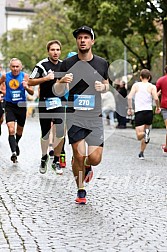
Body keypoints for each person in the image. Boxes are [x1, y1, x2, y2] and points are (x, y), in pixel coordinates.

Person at [54, 25, 109, 204]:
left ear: (92, 41)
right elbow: (57, 90)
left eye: (86, 37)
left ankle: (87, 166)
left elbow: (106, 84)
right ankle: (81, 190)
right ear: (77, 41)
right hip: (75, 116)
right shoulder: (67, 64)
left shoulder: (102, 63)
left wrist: (104, 87)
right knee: (79, 154)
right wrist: (61, 81)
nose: (82, 40)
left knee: (94, 158)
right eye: (80, 38)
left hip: (95, 117)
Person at [28, 40, 66, 175]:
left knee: (60, 132)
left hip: (59, 102)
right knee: (45, 133)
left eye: (57, 50)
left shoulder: (63, 65)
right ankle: (44, 157)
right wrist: (45, 78)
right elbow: (30, 81)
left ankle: (56, 160)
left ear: (60, 51)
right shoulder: (41, 65)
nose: (55, 52)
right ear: (48, 51)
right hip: (45, 103)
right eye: (52, 50)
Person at [0, 58, 34, 163]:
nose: (15, 69)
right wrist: (2, 93)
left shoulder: (25, 76)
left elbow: (32, 92)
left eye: (17, 66)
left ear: (21, 67)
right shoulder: (5, 76)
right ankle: (13, 152)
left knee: (20, 131)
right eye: (13, 66)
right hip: (9, 105)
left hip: (21, 106)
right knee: (11, 130)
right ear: (10, 67)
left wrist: (26, 87)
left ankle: (16, 143)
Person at [127, 69, 161, 159]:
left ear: (140, 77)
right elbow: (156, 98)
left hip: (139, 112)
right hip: (149, 112)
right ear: (149, 77)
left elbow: (129, 97)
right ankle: (141, 152)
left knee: (139, 136)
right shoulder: (152, 86)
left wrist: (130, 109)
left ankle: (145, 135)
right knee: (145, 134)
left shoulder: (136, 85)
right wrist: (158, 107)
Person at [156, 65, 167, 153]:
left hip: (165, 106)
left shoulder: (161, 80)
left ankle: (166, 147)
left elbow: (154, 93)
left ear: (165, 71)